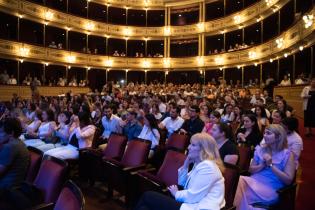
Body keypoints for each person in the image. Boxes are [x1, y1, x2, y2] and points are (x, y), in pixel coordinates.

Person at [134, 133, 226, 210]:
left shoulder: (208, 167)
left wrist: (176, 193)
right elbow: (183, 184)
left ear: (204, 150)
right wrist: (186, 164)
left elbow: (192, 196)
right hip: (192, 204)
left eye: (193, 145)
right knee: (146, 207)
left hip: (199, 207)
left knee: (148, 196)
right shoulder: (199, 164)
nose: (188, 147)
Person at [233, 124, 295, 210]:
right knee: (236, 182)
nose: (264, 135)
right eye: (265, 133)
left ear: (278, 137)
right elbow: (251, 170)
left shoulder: (287, 154)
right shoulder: (261, 149)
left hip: (271, 188)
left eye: (268, 133)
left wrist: (271, 165)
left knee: (235, 190)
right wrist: (262, 165)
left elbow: (288, 180)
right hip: (253, 181)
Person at [0, 118, 29, 196]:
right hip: (12, 185)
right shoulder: (18, 142)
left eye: (1, 132)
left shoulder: (10, 147)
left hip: (6, 188)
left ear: (11, 133)